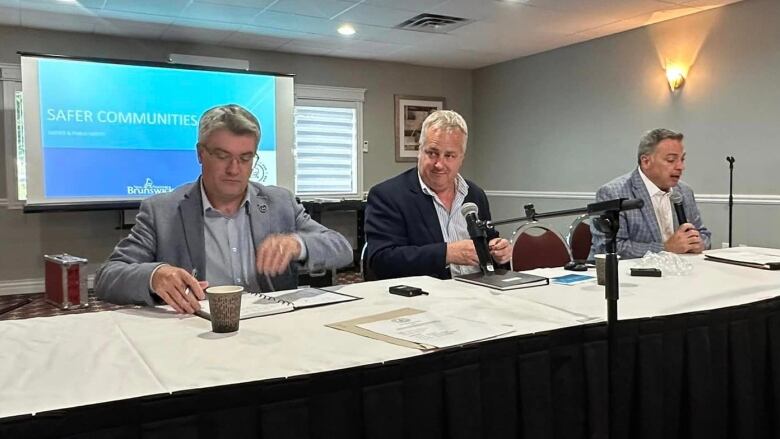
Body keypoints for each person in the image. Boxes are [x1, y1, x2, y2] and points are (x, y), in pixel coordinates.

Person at [95, 104, 353, 313]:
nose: (234, 169)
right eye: (222, 156)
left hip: (272, 327)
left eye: (245, 158)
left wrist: (299, 244)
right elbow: (107, 278)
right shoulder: (162, 210)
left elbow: (340, 248)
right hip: (196, 329)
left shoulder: (279, 202)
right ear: (200, 154)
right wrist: (155, 275)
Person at [364, 110, 511, 280]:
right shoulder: (387, 196)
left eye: (449, 155)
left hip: (482, 291)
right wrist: (446, 253)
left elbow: (488, 248)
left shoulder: (475, 194)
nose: (439, 164)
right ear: (419, 151)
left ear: (461, 158)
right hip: (425, 298)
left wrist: (500, 253)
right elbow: (381, 260)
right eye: (432, 153)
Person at [590, 128, 711, 259]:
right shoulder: (612, 193)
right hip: (626, 275)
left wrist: (699, 243)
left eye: (682, 159)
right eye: (671, 160)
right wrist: (666, 248)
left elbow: (703, 234)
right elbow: (608, 247)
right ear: (646, 161)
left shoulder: (684, 191)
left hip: (678, 271)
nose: (680, 167)